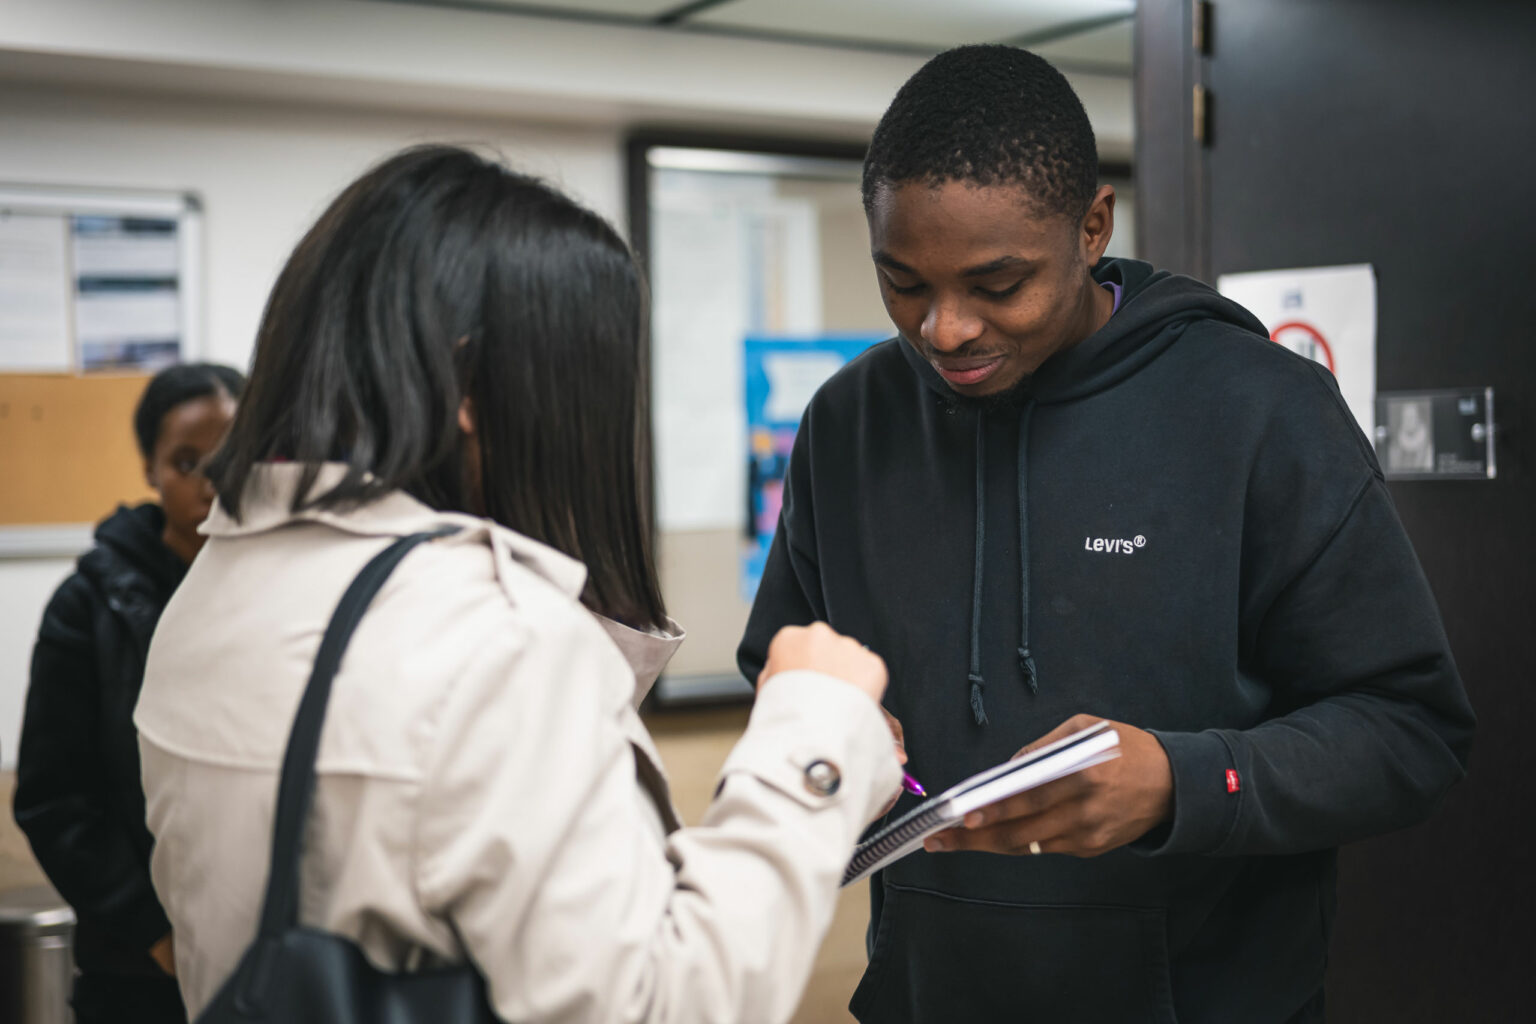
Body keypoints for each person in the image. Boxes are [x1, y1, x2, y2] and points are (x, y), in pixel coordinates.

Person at [738, 45, 1475, 1024]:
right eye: (903, 282)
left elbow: (1409, 729)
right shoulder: (848, 422)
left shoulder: (1261, 411)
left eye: (996, 284)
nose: (945, 328)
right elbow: (782, 662)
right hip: (927, 996)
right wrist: (832, 724)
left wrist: (1183, 782)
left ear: (1092, 227)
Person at [132, 145, 900, 1023]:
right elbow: (661, 1004)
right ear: (471, 383)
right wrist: (817, 734)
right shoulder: (488, 634)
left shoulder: (216, 587)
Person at [14, 361, 245, 1024]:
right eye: (186, 461)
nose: (211, 483)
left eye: (229, 459)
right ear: (149, 469)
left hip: (260, 954)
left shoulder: (281, 593)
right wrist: (158, 934)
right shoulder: (88, 605)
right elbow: (54, 799)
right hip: (139, 971)